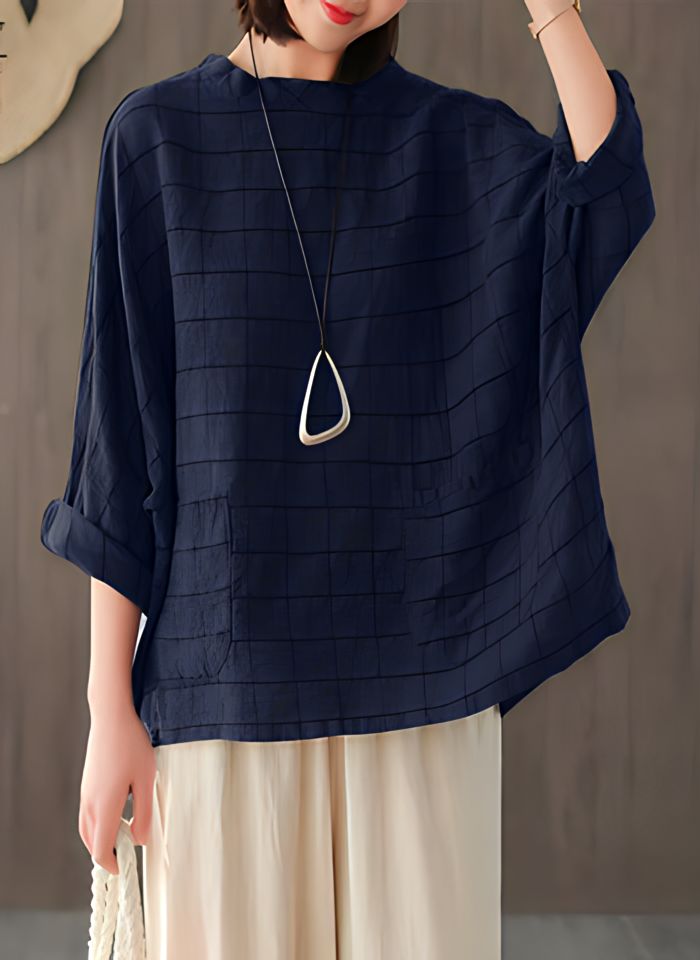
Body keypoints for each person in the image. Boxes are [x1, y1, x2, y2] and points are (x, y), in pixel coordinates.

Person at [39, 0, 656, 956]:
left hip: (422, 701)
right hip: (223, 700)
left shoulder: (456, 145)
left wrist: (550, 8)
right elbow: (118, 453)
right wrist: (107, 707)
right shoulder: (156, 141)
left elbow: (605, 189)